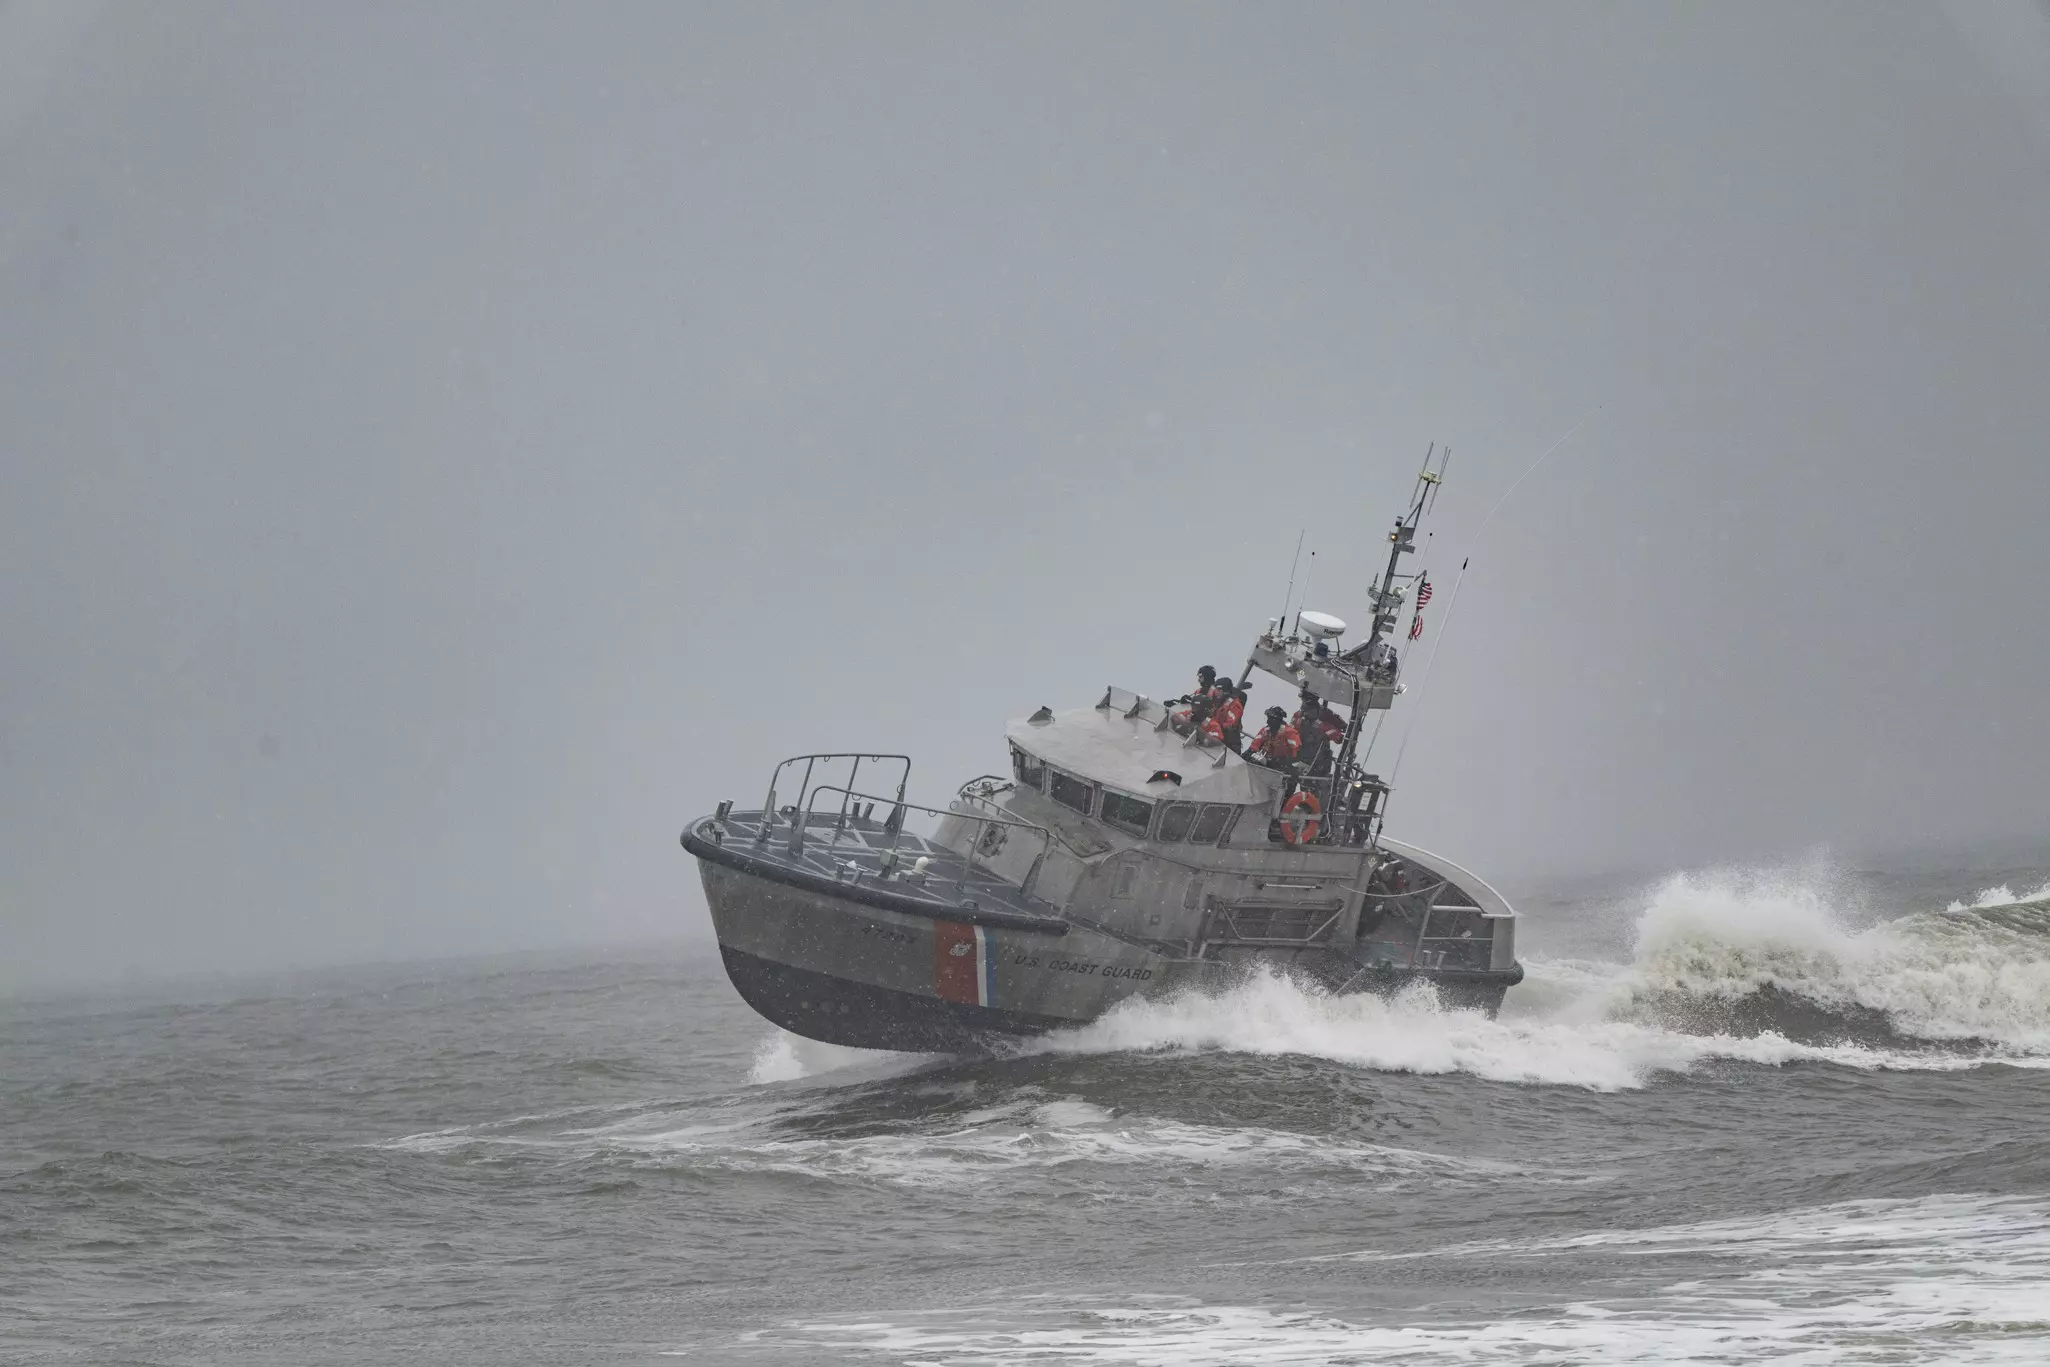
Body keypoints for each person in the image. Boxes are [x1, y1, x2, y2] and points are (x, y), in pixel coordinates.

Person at [1211, 676, 1245, 750]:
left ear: (1226, 691)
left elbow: (1231, 724)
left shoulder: (1234, 705)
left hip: (1229, 746)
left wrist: (1214, 725)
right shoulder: (1217, 702)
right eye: (1216, 689)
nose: (1216, 692)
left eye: (1219, 690)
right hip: (1216, 737)